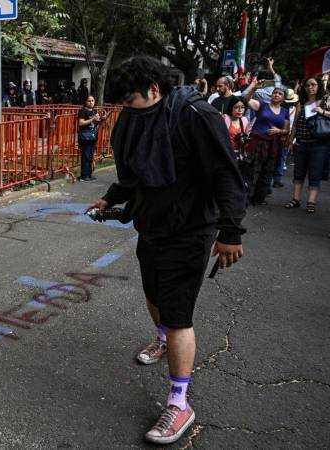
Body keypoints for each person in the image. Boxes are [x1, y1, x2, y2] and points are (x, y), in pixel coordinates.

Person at [86, 56, 246, 445]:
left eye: (131, 100)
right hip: (151, 224)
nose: (126, 108)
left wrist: (231, 232)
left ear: (154, 90)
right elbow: (133, 173)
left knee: (177, 315)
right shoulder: (132, 118)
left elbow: (226, 173)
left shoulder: (196, 115)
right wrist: (110, 199)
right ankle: (161, 338)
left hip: (191, 229)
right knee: (153, 293)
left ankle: (179, 402)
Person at [284, 77, 330, 213]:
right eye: (307, 85)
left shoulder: (325, 101)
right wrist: (291, 141)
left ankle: (311, 202)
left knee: (315, 173)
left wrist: (323, 112)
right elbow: (296, 125)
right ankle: (296, 199)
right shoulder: (301, 103)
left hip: (319, 144)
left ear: (318, 86)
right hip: (301, 143)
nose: (310, 87)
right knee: (299, 172)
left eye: (313, 84)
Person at [243, 78, 290, 205]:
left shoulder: (285, 112)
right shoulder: (263, 105)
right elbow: (245, 100)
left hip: (273, 145)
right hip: (257, 142)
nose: (276, 95)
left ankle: (259, 198)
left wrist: (279, 131)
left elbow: (287, 130)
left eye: (280, 94)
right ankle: (246, 196)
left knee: (267, 171)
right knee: (252, 169)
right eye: (275, 92)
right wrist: (254, 88)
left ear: (283, 98)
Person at [272, 88, 299, 188]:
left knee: (273, 158)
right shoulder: (295, 110)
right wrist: (292, 139)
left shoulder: (278, 108)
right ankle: (277, 179)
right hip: (286, 136)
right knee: (281, 158)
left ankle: (271, 179)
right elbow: (293, 126)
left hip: (275, 135)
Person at [77, 96, 104, 182]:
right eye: (89, 101)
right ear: (85, 102)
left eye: (92, 101)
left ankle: (89, 174)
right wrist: (92, 119)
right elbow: (81, 123)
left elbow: (97, 122)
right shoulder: (82, 111)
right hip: (85, 137)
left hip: (93, 137)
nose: (91, 102)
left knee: (90, 156)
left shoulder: (94, 111)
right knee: (85, 156)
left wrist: (102, 119)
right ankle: (84, 176)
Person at [223, 95, 251, 163]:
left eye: (242, 107)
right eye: (236, 107)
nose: (240, 110)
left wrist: (244, 141)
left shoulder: (245, 120)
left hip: (239, 155)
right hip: (225, 153)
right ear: (231, 108)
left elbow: (247, 139)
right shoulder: (225, 118)